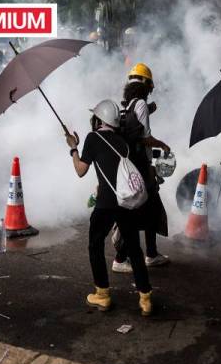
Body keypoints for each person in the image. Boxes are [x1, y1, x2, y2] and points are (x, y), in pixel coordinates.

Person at [66, 99, 154, 316]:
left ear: (99, 119)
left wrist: (73, 148)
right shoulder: (122, 141)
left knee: (95, 245)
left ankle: (102, 294)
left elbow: (80, 170)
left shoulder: (93, 138)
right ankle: (145, 299)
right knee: (134, 249)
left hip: (106, 204)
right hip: (125, 203)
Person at [111, 63, 171, 273]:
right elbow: (144, 138)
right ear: (146, 85)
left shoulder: (125, 105)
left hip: (129, 166)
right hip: (141, 168)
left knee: (149, 208)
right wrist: (162, 144)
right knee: (139, 211)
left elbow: (132, 127)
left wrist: (150, 109)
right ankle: (120, 258)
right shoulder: (141, 105)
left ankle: (152, 254)